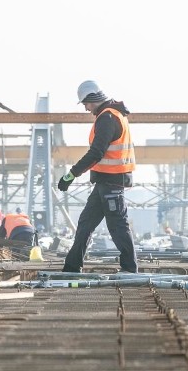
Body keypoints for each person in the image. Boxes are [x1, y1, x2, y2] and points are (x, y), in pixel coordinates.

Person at [57, 80, 138, 273]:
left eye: (85, 103)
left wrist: (71, 175)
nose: (85, 108)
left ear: (92, 99)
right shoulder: (111, 115)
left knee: (117, 225)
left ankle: (130, 269)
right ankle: (72, 266)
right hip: (105, 181)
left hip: (112, 181)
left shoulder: (108, 118)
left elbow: (96, 152)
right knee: (86, 223)